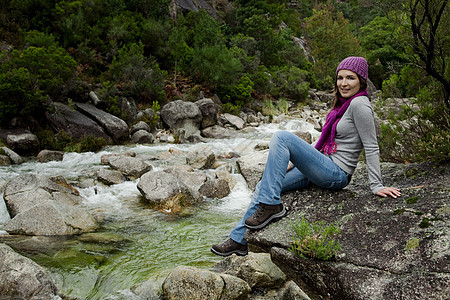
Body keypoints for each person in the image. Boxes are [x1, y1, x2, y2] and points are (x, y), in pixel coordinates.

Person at [211, 56, 402, 257]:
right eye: (340, 78)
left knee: (282, 137)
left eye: (350, 78)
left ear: (361, 81)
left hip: (336, 173)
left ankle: (271, 208)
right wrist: (293, 162)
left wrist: (376, 185)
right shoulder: (343, 105)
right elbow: (324, 141)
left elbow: (371, 146)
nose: (343, 83)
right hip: (321, 165)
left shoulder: (360, 105)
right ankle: (239, 240)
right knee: (266, 186)